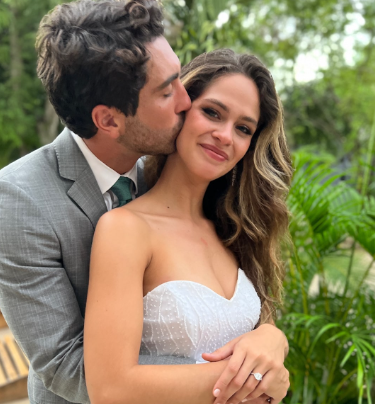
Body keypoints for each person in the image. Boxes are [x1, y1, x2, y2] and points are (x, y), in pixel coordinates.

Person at [0, 1, 289, 403]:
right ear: (109, 120)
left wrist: (271, 339)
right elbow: (67, 366)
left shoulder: (186, 182)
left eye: (244, 128)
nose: (185, 100)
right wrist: (248, 381)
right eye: (167, 91)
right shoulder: (18, 202)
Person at [84, 49, 292, 404]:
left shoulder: (235, 231)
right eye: (212, 112)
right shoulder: (125, 230)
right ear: (180, 109)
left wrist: (274, 338)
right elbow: (110, 389)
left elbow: (257, 333)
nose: (225, 135)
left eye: (243, 128)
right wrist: (257, 381)